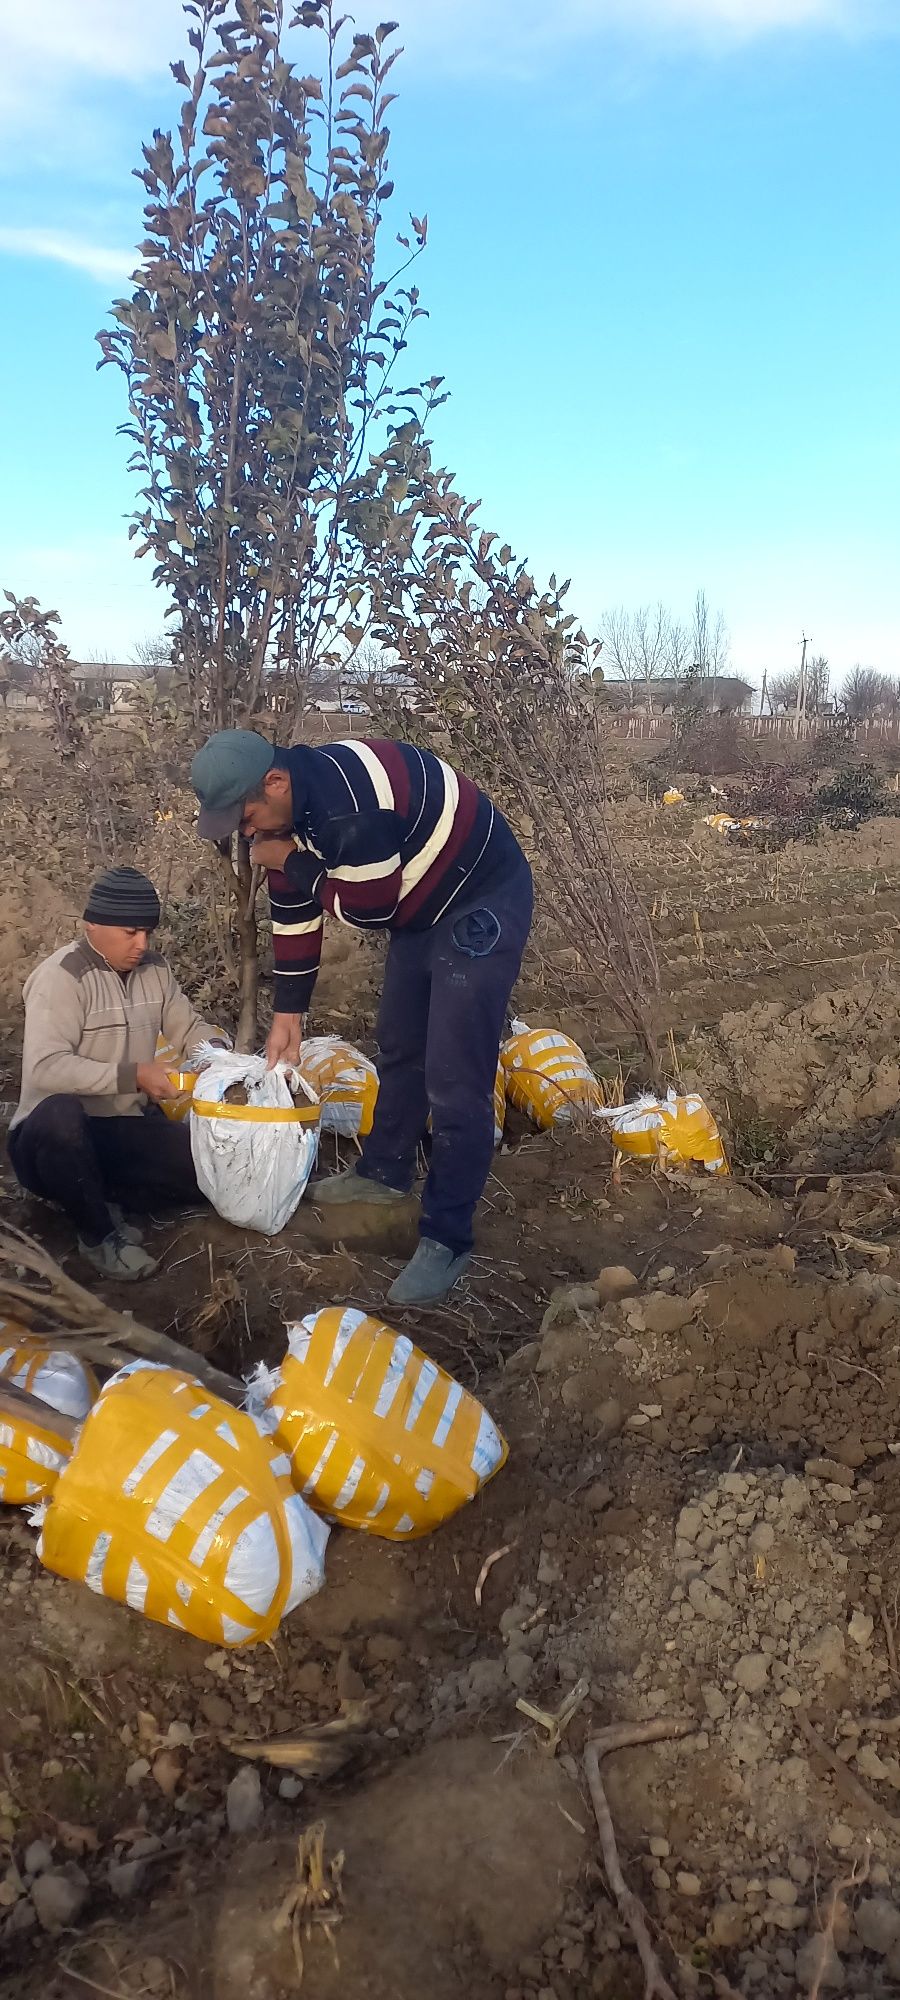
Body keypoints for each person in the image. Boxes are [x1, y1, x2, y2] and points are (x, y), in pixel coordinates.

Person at [191, 730, 533, 1306]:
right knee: (400, 1044)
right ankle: (384, 1173)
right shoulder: (284, 818)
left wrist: (294, 862)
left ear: (275, 783)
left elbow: (369, 907)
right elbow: (296, 912)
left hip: (479, 899)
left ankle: (446, 1238)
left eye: (245, 818)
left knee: (454, 1079)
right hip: (422, 907)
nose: (245, 833)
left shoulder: (352, 803)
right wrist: (288, 1014)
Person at [8, 866, 225, 1281]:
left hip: (120, 1130)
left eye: (148, 932)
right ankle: (99, 1237)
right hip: (49, 1141)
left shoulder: (155, 971)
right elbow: (45, 1069)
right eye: (130, 933)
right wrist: (133, 1076)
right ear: (93, 925)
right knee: (61, 1118)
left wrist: (216, 1056)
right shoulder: (62, 978)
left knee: (208, 1172)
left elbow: (190, 1027)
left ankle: (97, 1193)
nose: (141, 944)